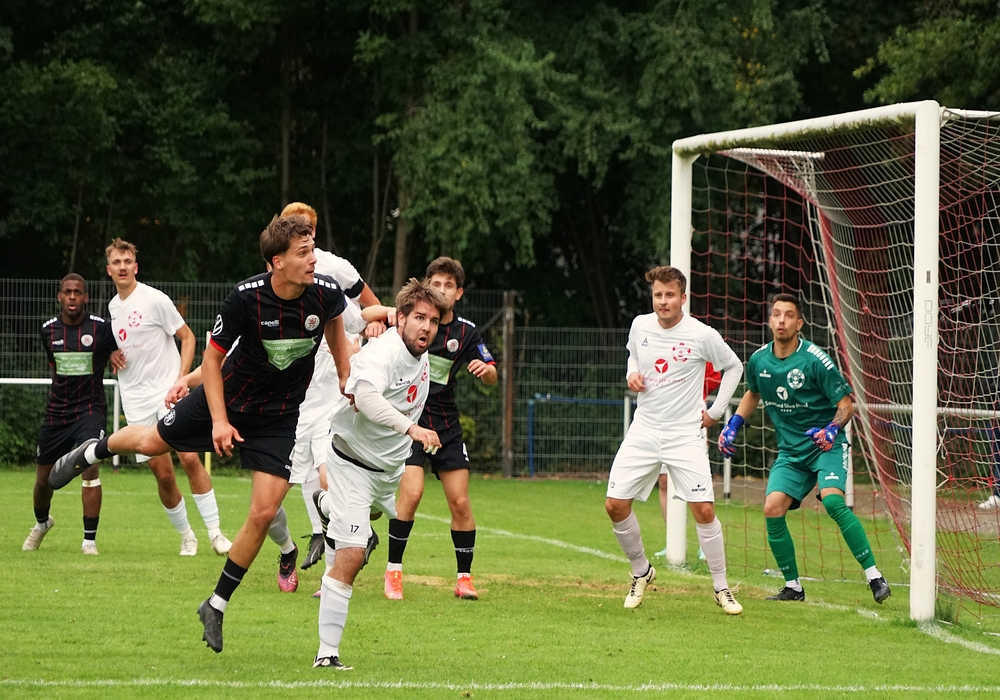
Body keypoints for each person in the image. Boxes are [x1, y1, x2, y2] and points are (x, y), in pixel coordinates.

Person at [48, 215, 352, 653]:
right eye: (303, 253)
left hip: (279, 418)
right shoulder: (245, 298)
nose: (313, 259)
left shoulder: (325, 292)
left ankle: (216, 604)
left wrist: (344, 375)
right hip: (225, 400)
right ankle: (90, 452)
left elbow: (335, 326)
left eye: (312, 250)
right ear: (276, 262)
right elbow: (211, 361)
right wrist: (220, 421)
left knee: (264, 512)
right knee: (152, 442)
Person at [718, 293, 891, 604]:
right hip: (791, 453)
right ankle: (793, 587)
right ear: (770, 321)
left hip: (825, 445)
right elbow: (753, 393)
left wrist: (831, 429)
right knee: (772, 508)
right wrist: (733, 424)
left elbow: (846, 405)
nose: (781, 320)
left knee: (834, 503)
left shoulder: (815, 359)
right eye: (776, 314)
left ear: (799, 324)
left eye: (788, 315)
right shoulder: (759, 360)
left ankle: (874, 576)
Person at [314, 279, 446, 671]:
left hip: (387, 470)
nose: (426, 327)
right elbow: (367, 396)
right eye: (419, 318)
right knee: (353, 553)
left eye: (433, 321)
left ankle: (326, 506)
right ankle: (327, 653)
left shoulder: (419, 353)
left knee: (371, 517)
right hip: (352, 461)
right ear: (400, 318)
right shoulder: (384, 352)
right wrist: (411, 428)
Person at [605, 265, 744, 614]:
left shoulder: (701, 334)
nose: (663, 301)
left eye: (670, 295)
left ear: (683, 298)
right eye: (658, 295)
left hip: (685, 434)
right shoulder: (640, 325)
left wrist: (716, 412)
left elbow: (734, 366)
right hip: (644, 429)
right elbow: (633, 355)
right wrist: (631, 374)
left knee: (704, 510)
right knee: (614, 505)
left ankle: (721, 588)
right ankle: (641, 571)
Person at [369, 257, 497, 601]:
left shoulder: (466, 332)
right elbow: (370, 317)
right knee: (411, 495)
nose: (441, 290)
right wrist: (376, 324)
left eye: (448, 286)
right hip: (410, 421)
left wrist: (486, 371)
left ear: (459, 293)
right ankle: (393, 572)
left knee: (461, 502)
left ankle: (464, 579)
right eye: (436, 284)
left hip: (446, 425)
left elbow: (492, 372)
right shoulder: (411, 321)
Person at [104, 238, 232, 557]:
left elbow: (187, 338)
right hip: (135, 399)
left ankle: (216, 534)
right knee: (162, 474)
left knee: (189, 458)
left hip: (167, 393)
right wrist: (112, 354)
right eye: (117, 262)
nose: (122, 267)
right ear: (109, 270)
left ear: (136, 267)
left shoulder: (155, 299)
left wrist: (180, 380)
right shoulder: (112, 308)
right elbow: (123, 345)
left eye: (127, 261)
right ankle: (187, 536)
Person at [278, 202, 384, 575]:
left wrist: (369, 334)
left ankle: (346, 542)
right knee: (286, 486)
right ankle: (317, 536)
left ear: (314, 232)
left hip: (332, 389)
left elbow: (370, 308)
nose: (300, 234)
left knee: (328, 472)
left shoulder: (334, 268)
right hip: (297, 393)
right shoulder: (278, 270)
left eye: (305, 229)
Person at [23, 274, 117, 555]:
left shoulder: (102, 328)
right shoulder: (48, 330)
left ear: (86, 297)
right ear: (60, 297)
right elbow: (53, 364)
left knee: (91, 464)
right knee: (43, 480)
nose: (73, 296)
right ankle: (42, 524)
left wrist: (114, 352)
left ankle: (89, 541)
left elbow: (119, 347)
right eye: (68, 292)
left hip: (90, 409)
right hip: (57, 411)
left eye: (78, 292)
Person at [654, 363, 721, 559]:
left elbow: (714, 376)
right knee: (664, 482)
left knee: (697, 483)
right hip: (662, 417)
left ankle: (705, 544)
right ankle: (673, 541)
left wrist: (693, 386)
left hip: (691, 416)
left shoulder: (696, 346)